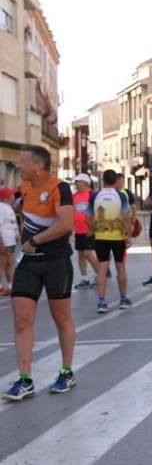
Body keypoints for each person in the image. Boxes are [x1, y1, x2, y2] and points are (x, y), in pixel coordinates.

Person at [2, 145, 76, 401]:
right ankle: (25, 379)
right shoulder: (24, 188)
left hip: (56, 261)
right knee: (21, 319)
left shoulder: (60, 188)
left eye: (22, 161)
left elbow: (66, 224)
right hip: (28, 263)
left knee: (61, 318)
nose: (19, 165)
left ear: (38, 166)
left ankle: (66, 371)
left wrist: (35, 241)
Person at [87, 169, 133, 313]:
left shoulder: (95, 196)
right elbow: (125, 217)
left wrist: (94, 229)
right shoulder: (120, 196)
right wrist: (129, 234)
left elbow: (88, 218)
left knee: (102, 267)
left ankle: (101, 302)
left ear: (103, 180)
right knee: (120, 266)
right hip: (118, 237)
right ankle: (123, 299)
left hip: (101, 237)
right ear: (115, 181)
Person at [72, 173, 100, 289]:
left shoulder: (92, 195)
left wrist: (92, 228)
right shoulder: (75, 196)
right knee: (81, 255)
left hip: (89, 229)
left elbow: (98, 212)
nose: (76, 184)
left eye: (77, 182)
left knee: (88, 254)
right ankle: (84, 278)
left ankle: (100, 275)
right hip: (78, 230)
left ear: (85, 183)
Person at [0, 186, 19, 295]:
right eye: (11, 194)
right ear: (6, 197)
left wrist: (16, 237)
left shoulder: (8, 207)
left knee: (10, 263)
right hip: (4, 241)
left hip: (10, 241)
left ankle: (11, 286)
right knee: (1, 263)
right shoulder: (1, 208)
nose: (13, 196)